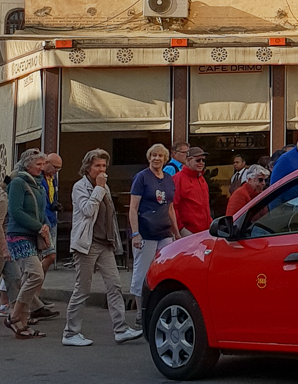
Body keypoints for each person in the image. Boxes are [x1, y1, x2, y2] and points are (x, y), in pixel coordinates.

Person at [62, 149, 142, 347]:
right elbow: (88, 210)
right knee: (82, 289)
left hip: (104, 243)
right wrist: (98, 188)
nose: (101, 169)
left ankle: (121, 329)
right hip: (86, 244)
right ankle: (70, 332)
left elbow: (109, 216)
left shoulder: (104, 187)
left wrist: (113, 239)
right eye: (97, 165)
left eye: (104, 166)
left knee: (114, 285)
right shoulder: (80, 187)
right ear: (88, 167)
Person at [129, 144, 181, 326]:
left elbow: (170, 208)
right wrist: (135, 233)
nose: (156, 158)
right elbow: (133, 208)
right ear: (149, 157)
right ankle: (139, 312)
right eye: (153, 155)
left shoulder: (168, 179)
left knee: (165, 270)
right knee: (142, 271)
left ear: (165, 159)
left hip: (164, 231)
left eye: (160, 155)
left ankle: (158, 308)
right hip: (146, 232)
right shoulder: (141, 178)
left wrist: (176, 233)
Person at [4, 149, 50, 338]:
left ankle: (22, 325)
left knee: (27, 279)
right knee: (36, 275)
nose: (42, 167)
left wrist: (45, 224)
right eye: (38, 164)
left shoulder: (38, 184)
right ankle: (14, 315)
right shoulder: (18, 183)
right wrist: (39, 226)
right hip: (18, 236)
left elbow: (41, 210)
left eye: (42, 164)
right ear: (27, 164)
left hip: (32, 235)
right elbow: (15, 211)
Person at [174, 147, 212, 235]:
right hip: (188, 232)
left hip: (205, 231)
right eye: (198, 160)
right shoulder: (178, 179)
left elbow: (205, 205)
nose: (201, 163)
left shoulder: (201, 179)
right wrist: (181, 229)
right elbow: (172, 207)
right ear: (188, 160)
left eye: (203, 160)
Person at [39, 152, 62, 277]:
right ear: (46, 163)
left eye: (59, 169)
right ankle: (33, 279)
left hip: (52, 220)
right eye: (55, 167)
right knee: (50, 255)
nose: (56, 171)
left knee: (49, 256)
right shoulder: (38, 178)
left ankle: (36, 287)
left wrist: (55, 204)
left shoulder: (53, 179)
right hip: (43, 222)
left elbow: (51, 196)